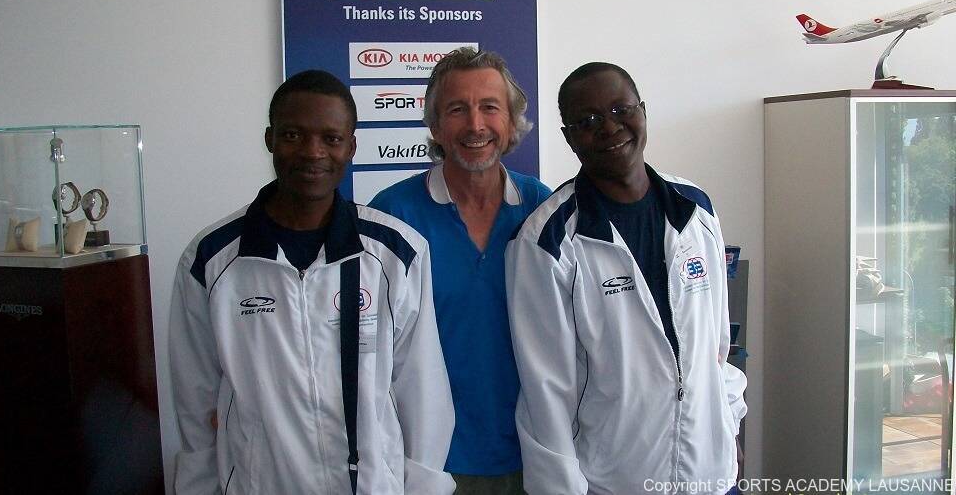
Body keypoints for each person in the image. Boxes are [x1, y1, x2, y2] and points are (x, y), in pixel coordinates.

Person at [169, 70, 455, 495]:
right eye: (292, 135)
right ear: (269, 139)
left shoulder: (395, 253)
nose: (312, 152)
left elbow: (422, 391)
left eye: (331, 138)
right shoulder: (211, 260)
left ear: (351, 147)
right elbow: (194, 400)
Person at [506, 62, 747, 495]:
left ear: (643, 111)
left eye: (621, 109)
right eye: (588, 120)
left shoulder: (696, 209)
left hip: (710, 472)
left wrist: (727, 428)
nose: (610, 127)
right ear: (569, 138)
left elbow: (717, 347)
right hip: (615, 482)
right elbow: (546, 393)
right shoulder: (548, 242)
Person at [370, 48, 550, 494]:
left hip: (535, 456)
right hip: (427, 463)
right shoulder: (390, 216)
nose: (475, 125)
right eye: (457, 109)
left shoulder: (543, 209)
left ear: (511, 121)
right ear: (434, 125)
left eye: (490, 107)